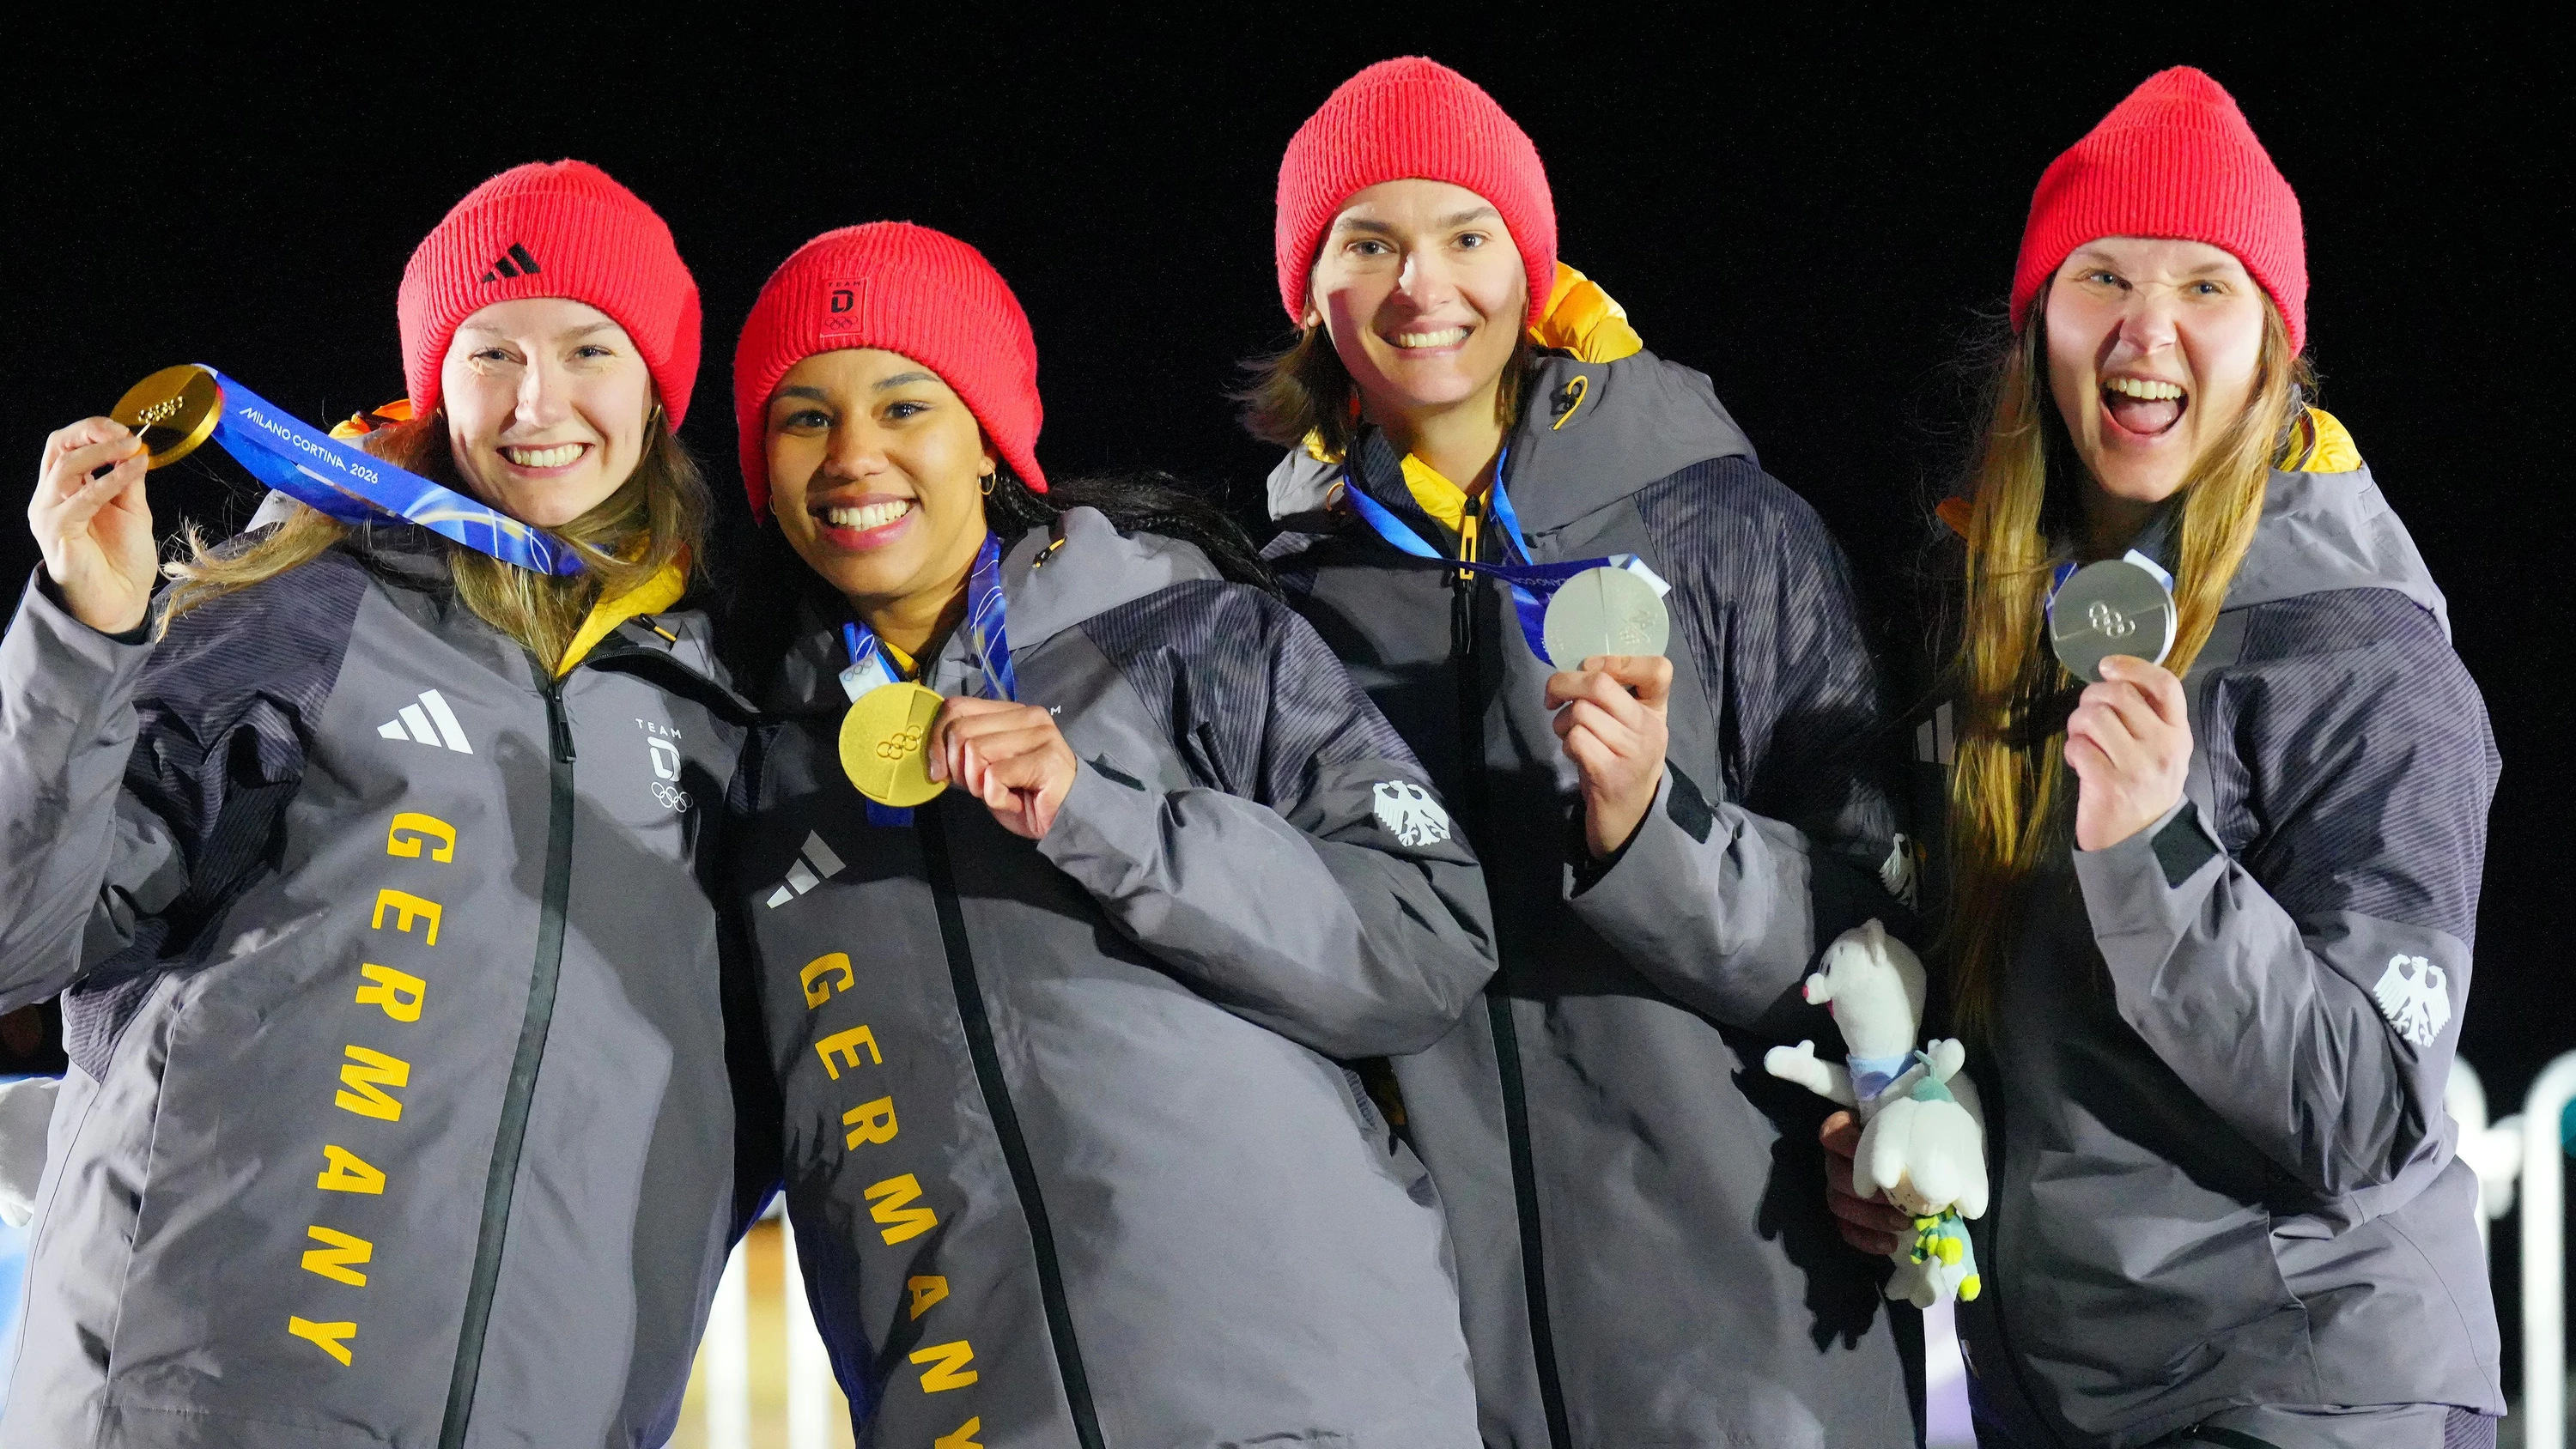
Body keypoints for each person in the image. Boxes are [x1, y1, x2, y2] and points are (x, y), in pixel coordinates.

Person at [0, 160, 760, 1446]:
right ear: (434, 378)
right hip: (214, 1409)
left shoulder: (715, 703)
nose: (539, 403)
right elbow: (22, 928)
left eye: (588, 348)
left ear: (655, 389)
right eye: (490, 353)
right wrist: (87, 631)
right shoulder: (302, 605)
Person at [725, 222, 1494, 1446]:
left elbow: (1427, 934)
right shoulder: (759, 764)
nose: (852, 456)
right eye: (803, 418)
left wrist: (1102, 816)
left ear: (988, 441)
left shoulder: (1185, 632)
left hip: (1305, 1410)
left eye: (905, 403)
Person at [1829, 68, 2502, 1449]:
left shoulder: (2366, 656)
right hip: (2068, 1396)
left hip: (2308, 1391)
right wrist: (1913, 1126)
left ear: (2273, 345)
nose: (2149, 329)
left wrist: (2156, 853)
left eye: (2208, 285)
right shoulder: (2010, 622)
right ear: (2039, 327)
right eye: (2103, 277)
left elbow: (2367, 1109)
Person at [1251, 58, 1917, 1447]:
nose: (1424, 288)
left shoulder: (1723, 520)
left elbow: (1879, 915)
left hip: (1757, 1335)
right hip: (1436, 1366)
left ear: (1531, 260)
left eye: (1465, 236)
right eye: (1367, 244)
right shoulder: (1283, 606)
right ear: (1312, 292)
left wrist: (1645, 839)